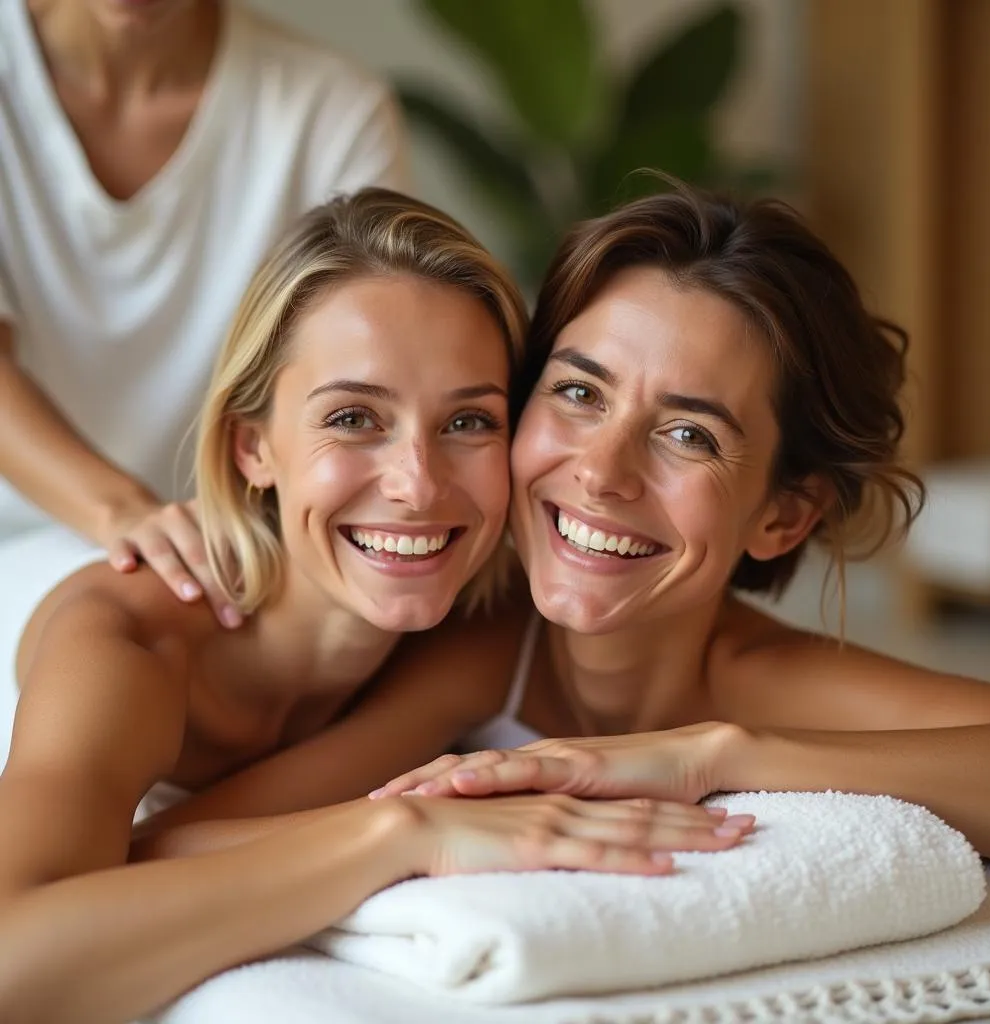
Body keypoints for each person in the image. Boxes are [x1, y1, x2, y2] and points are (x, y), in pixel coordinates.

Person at [0, 189, 741, 1024]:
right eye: (355, 418)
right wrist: (401, 837)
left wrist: (723, 754)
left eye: (468, 420)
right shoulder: (129, 645)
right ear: (254, 446)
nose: (418, 485)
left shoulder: (484, 630)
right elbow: (14, 966)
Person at [137, 183, 990, 871]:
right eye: (577, 392)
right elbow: (178, 844)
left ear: (785, 515)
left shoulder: (757, 683)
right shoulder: (486, 637)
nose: (601, 473)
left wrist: (714, 757)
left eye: (689, 434)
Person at [0, 0, 407, 628]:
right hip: (69, 553)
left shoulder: (328, 108)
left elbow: (385, 369)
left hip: (231, 559)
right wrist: (127, 515)